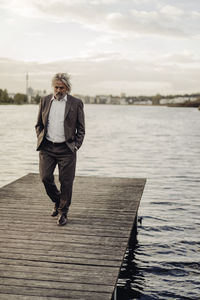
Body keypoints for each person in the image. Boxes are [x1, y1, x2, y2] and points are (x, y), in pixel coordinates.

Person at [35, 73, 85, 226]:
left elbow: (81, 129)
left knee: (66, 182)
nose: (58, 90)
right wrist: (40, 138)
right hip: (47, 147)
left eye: (61, 87)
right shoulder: (44, 101)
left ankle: (63, 212)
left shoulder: (76, 103)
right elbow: (39, 124)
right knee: (45, 178)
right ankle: (58, 201)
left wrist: (76, 145)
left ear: (67, 88)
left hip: (67, 149)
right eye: (56, 87)